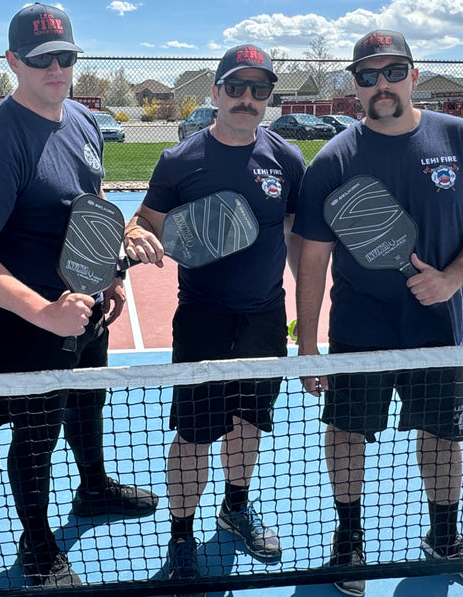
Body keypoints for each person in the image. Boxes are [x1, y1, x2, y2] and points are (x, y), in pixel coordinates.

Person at [293, 30, 463, 597]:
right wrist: (310, 344)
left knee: (442, 437)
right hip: (358, 333)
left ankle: (444, 538)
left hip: (438, 330)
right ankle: (348, 541)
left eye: (393, 71)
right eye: (368, 75)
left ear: (414, 74)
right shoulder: (335, 158)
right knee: (346, 434)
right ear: (354, 86)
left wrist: (452, 279)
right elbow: (312, 257)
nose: (381, 84)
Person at [0, 3, 158, 588]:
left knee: (88, 401)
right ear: (13, 61)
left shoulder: (84, 121)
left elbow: (86, 212)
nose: (57, 69)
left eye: (66, 57)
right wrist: (45, 312)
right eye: (42, 60)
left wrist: (109, 276)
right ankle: (37, 542)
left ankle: (93, 488)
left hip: (86, 306)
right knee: (37, 431)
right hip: (25, 321)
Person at [124, 44, 305, 591]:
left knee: (248, 423)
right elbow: (145, 219)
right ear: (216, 92)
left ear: (269, 97)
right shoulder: (181, 160)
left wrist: (314, 312)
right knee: (195, 435)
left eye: (259, 90)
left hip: (265, 318)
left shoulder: (288, 159)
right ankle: (181, 536)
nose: (247, 99)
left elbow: (296, 236)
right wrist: (136, 235)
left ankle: (235, 508)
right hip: (202, 319)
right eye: (236, 87)